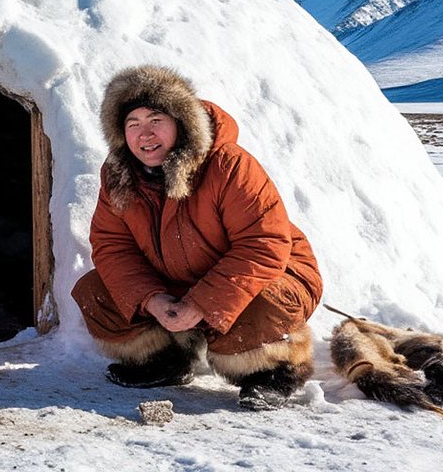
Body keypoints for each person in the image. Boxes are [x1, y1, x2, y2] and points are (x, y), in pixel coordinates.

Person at [72, 65, 323, 410]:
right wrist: (152, 299)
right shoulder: (119, 174)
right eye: (133, 124)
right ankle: (166, 360)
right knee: (96, 293)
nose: (145, 134)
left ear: (180, 121)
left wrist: (202, 304)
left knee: (266, 302)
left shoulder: (228, 165)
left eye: (156, 120)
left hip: (267, 274)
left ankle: (276, 371)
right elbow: (112, 246)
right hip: (176, 281)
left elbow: (263, 245)